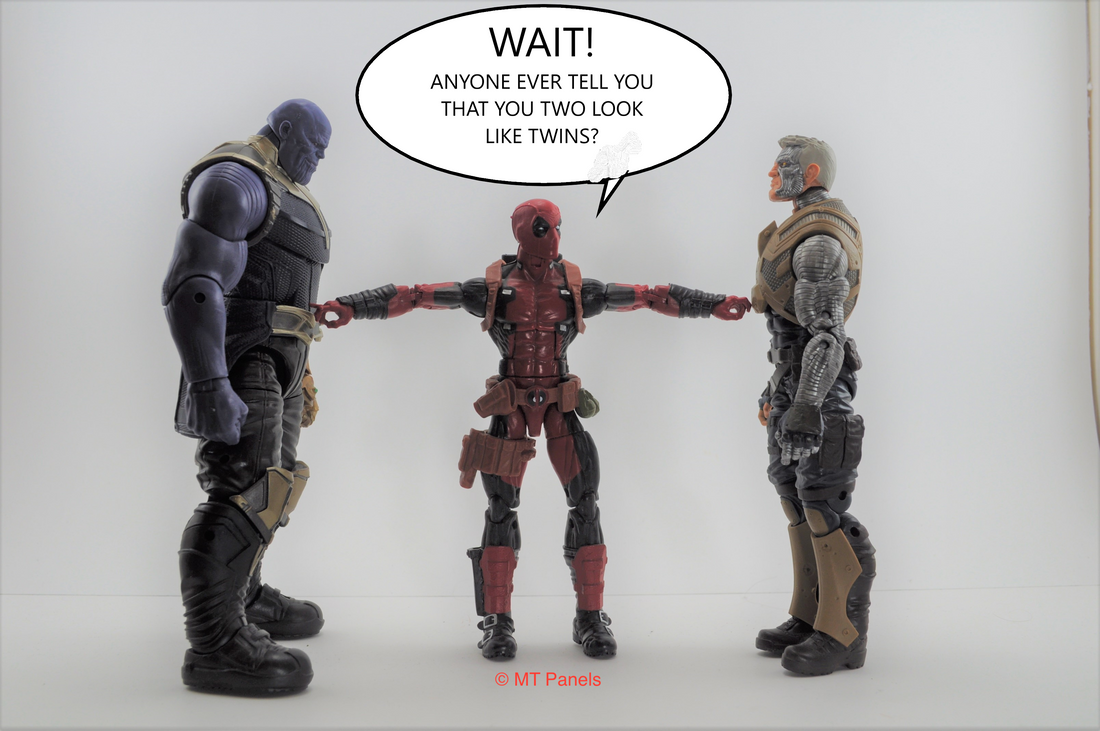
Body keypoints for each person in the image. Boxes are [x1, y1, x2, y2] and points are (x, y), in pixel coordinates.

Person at [314, 199, 751, 660]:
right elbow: (416, 295)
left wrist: (713, 304)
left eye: (556, 226)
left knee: (586, 504)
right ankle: (497, 621)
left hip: (560, 404)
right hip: (513, 407)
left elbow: (649, 295)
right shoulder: (493, 289)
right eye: (543, 227)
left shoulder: (576, 288)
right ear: (522, 231)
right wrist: (352, 306)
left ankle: (590, 617)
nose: (551, 236)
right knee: (499, 510)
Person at [162, 99, 331, 693]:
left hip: (284, 360)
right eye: (312, 145)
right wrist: (209, 382)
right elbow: (195, 283)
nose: (317, 159)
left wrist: (302, 373)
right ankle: (213, 643)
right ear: (284, 129)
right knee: (240, 487)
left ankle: (245, 596)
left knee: (273, 488)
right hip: (243, 354)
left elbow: (292, 292)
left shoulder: (289, 192)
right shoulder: (236, 180)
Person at [749, 135, 876, 675]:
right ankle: (809, 615)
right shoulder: (795, 232)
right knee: (791, 494)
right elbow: (792, 337)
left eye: (782, 166)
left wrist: (806, 405)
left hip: (819, 389)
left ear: (812, 172)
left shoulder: (818, 242)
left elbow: (826, 334)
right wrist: (776, 393)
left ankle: (843, 634)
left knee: (822, 502)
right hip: (793, 381)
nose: (772, 174)